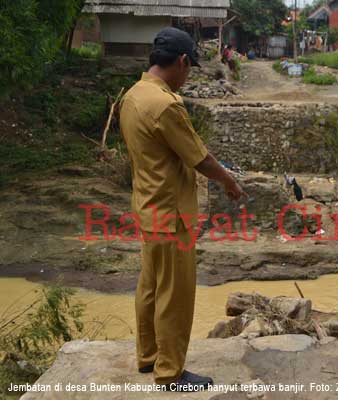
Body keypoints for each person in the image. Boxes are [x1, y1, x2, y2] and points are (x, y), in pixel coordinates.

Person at [119, 27, 246, 392]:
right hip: (172, 215)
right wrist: (229, 181)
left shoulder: (133, 96)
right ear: (181, 62)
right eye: (189, 68)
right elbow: (199, 157)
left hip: (147, 207)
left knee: (150, 288)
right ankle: (170, 373)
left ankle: (148, 357)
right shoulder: (166, 104)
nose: (188, 77)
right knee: (174, 296)